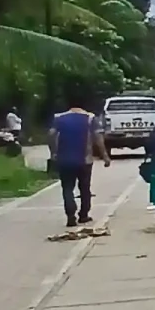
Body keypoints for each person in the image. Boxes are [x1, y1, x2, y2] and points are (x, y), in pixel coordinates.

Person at [48, 98, 110, 228]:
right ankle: (83, 215)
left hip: (64, 159)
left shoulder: (58, 118)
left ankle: (70, 215)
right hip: (85, 160)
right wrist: (105, 156)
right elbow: (98, 138)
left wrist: (53, 152)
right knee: (85, 188)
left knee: (67, 188)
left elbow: (51, 134)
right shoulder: (90, 118)